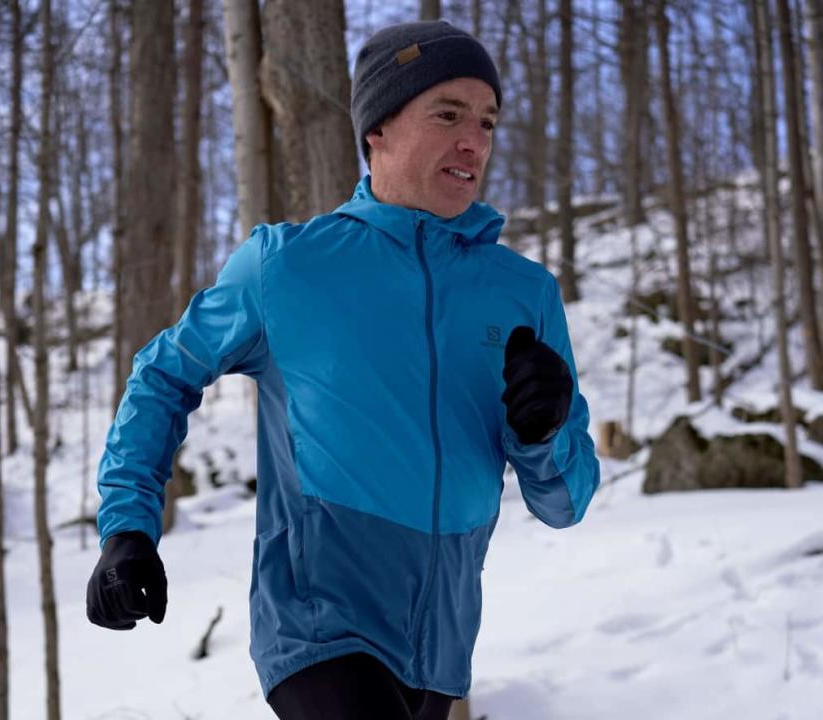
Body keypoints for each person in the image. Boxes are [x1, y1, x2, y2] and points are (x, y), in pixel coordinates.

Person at [86, 20, 600, 720]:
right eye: (447, 114)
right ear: (377, 131)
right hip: (319, 626)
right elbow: (162, 375)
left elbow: (565, 504)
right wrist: (127, 526)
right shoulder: (286, 266)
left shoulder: (523, 293)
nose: (473, 141)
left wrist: (544, 434)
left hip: (443, 649)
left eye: (486, 121)